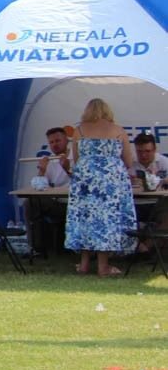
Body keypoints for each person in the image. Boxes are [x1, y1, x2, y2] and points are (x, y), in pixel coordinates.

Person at [64, 98, 136, 277]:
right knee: (106, 220)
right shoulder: (118, 130)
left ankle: (84, 265)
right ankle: (103, 266)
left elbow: (77, 159)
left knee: (84, 218)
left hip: (85, 182)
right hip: (110, 183)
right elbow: (128, 161)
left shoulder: (79, 131)